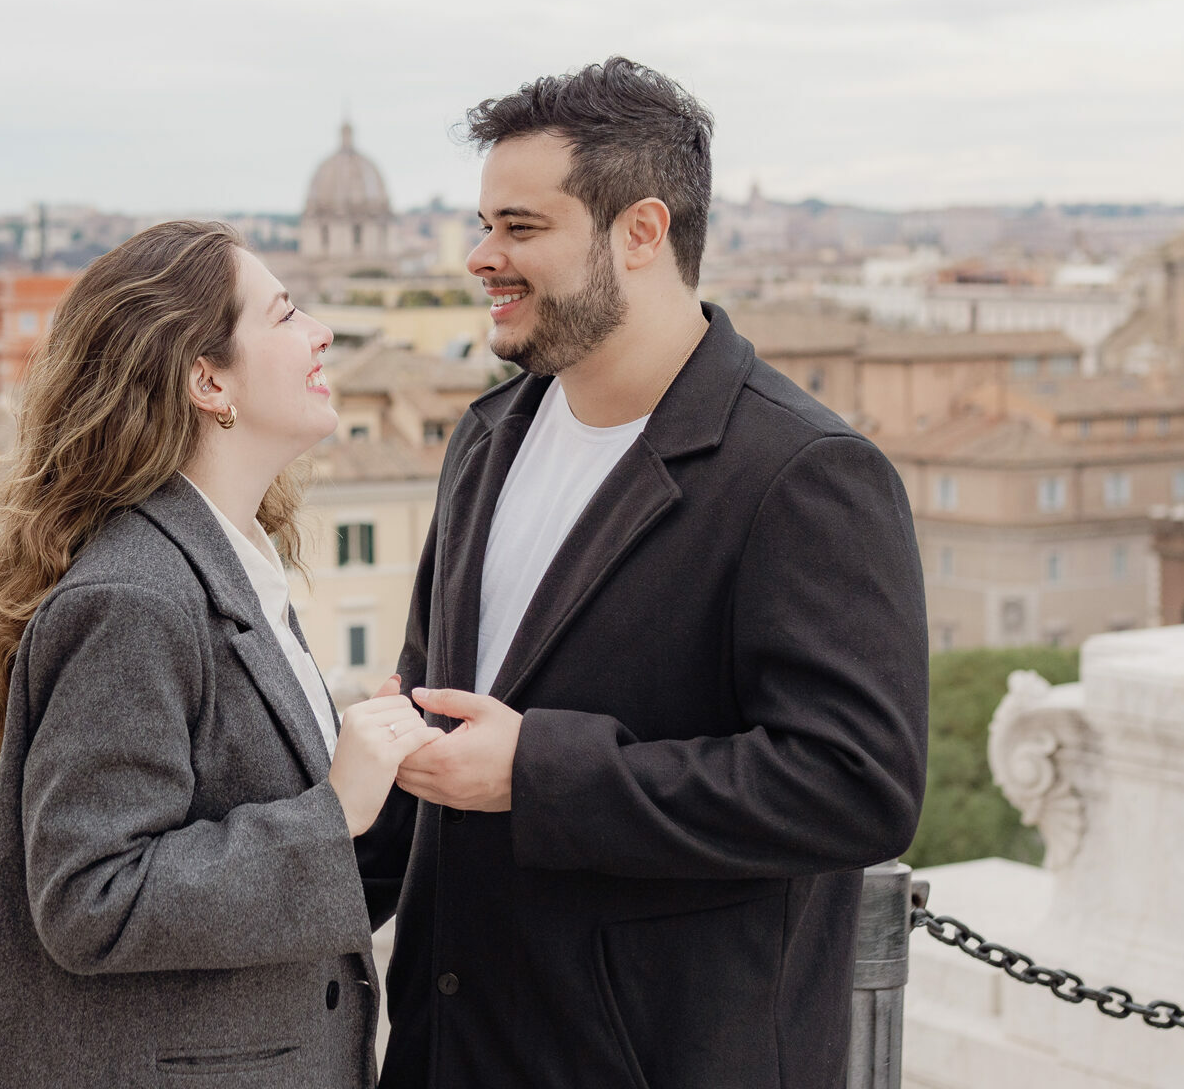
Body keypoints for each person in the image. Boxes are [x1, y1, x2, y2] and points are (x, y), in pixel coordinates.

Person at [357, 59, 930, 1088]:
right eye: (484, 225)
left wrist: (539, 773)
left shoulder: (803, 472)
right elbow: (433, 719)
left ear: (642, 231)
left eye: (520, 227)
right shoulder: (485, 437)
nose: (481, 257)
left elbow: (856, 787)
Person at [0, 221, 441, 1089]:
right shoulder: (136, 596)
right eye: (286, 314)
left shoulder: (233, 565)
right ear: (208, 381)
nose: (320, 333)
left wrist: (398, 790)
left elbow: (286, 870)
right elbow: (92, 898)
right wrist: (336, 807)